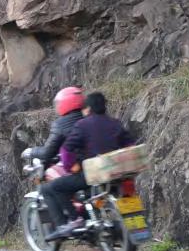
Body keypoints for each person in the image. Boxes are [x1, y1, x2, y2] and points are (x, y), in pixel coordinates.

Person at [43, 91, 135, 241]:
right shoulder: (115, 123)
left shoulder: (82, 125)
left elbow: (66, 150)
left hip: (93, 174)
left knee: (55, 187)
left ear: (88, 109)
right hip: (118, 171)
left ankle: (75, 220)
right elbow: (130, 145)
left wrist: (70, 167)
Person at [21, 86, 85, 169]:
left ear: (65, 103)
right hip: (98, 162)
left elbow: (47, 152)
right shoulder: (90, 116)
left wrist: (31, 152)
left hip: (83, 169)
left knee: (53, 181)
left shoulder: (60, 124)